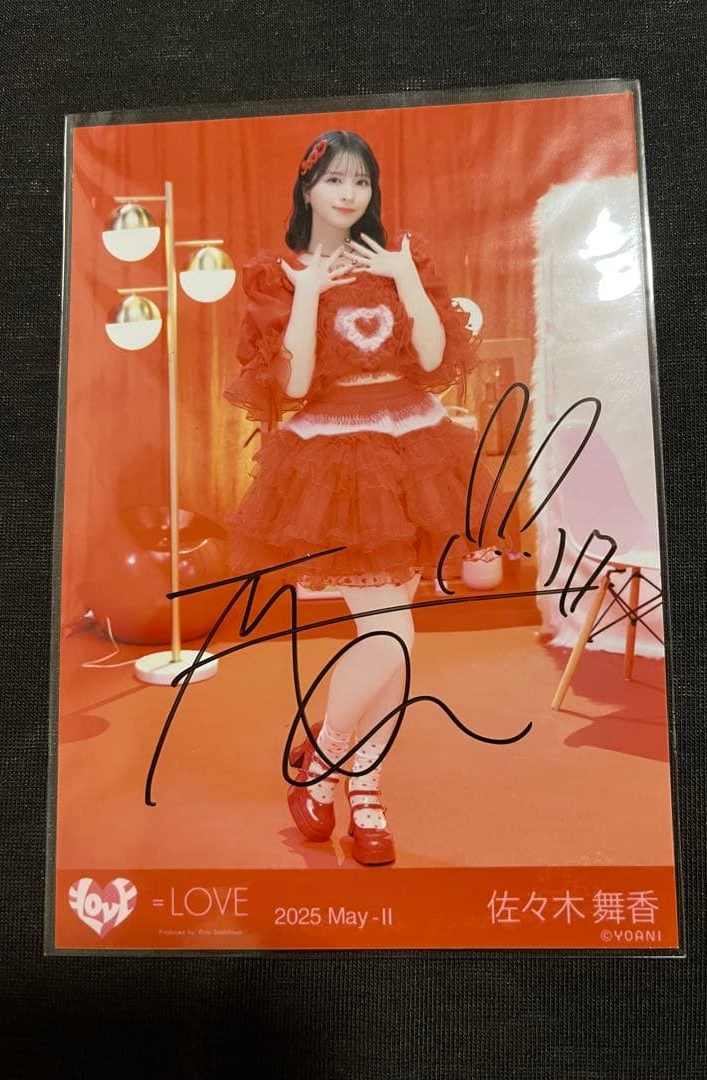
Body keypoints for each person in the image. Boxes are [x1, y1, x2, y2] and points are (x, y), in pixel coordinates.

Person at [224, 130, 491, 866]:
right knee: (392, 634)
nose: (349, 194)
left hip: (415, 451)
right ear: (307, 188)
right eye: (335, 180)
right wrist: (309, 291)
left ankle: (338, 770)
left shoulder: (400, 257)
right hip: (337, 463)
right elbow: (293, 384)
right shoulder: (279, 275)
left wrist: (405, 277)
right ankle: (347, 776)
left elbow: (434, 359)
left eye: (362, 181)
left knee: (392, 635)